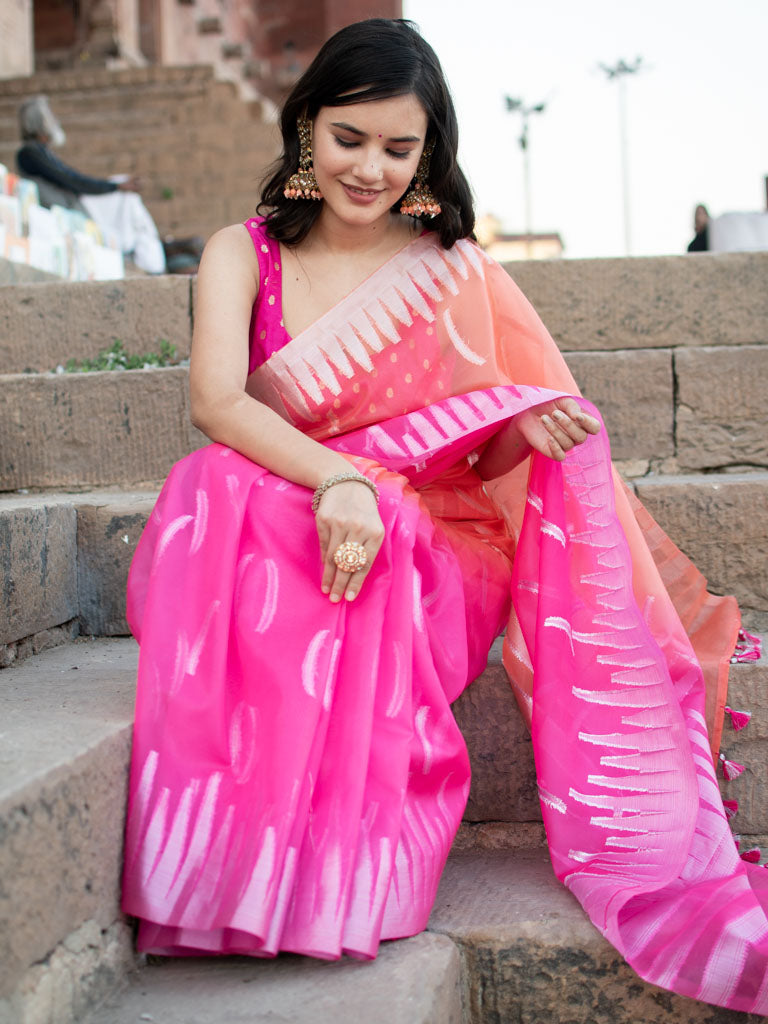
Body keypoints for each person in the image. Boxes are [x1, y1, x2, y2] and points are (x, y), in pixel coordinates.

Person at [121, 19, 767, 1013]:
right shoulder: (237, 252)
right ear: (305, 128)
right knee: (216, 483)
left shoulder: (455, 272)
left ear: (429, 155)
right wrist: (341, 481)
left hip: (434, 543)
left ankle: (339, 882)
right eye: (348, 139)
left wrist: (526, 427)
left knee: (352, 522)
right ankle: (225, 871)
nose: (369, 168)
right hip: (299, 507)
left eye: (397, 147)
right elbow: (218, 403)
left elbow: (481, 458)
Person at [16, 95, 166, 274]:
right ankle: (145, 257)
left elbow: (71, 177)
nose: (55, 122)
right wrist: (115, 187)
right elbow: (69, 179)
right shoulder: (29, 153)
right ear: (39, 124)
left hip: (74, 201)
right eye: (50, 118)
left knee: (126, 194)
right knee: (123, 191)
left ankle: (145, 254)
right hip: (69, 206)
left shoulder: (40, 152)